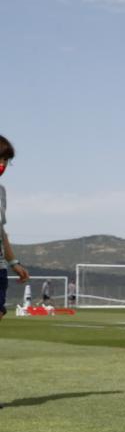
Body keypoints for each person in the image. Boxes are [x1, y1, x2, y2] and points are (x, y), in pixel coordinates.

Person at [0, 134, 31, 326]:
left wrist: (13, 262)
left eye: (5, 159)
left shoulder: (1, 192)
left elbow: (1, 232)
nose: (2, 164)